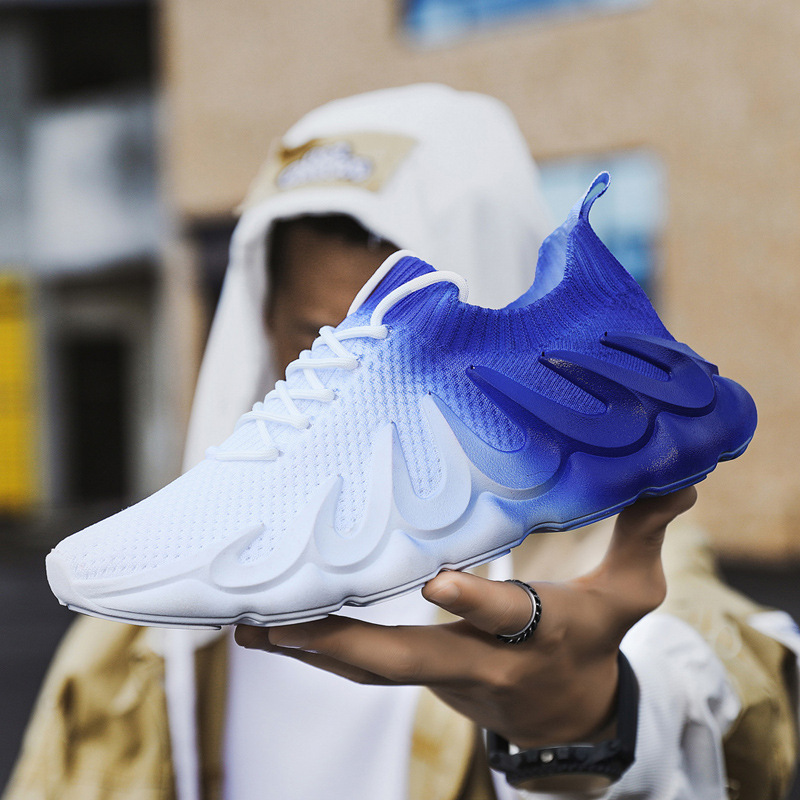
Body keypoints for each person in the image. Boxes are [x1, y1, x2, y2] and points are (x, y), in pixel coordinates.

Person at [6, 84, 798, 800]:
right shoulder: (129, 637)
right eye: (320, 346)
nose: (353, 393)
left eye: (390, 356)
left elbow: (735, 694)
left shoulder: (599, 569)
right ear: (261, 325)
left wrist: (593, 721)